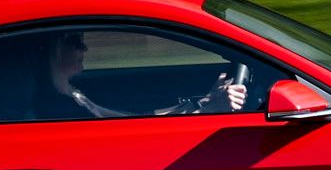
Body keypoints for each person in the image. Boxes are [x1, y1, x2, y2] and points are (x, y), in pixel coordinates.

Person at [37, 31, 251, 119]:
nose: (84, 48)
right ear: (52, 49)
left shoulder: (70, 95)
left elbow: (127, 120)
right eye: (75, 41)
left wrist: (201, 104)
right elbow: (125, 137)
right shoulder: (60, 107)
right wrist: (209, 110)